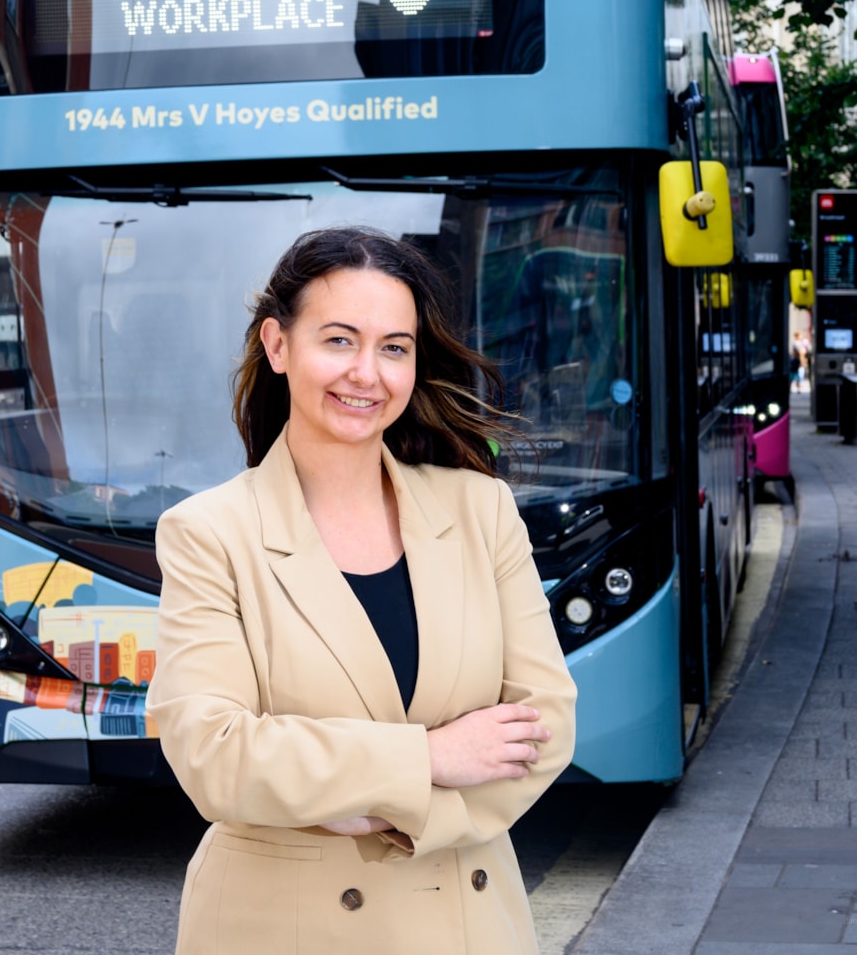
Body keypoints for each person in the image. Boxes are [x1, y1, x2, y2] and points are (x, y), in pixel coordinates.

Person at [147, 226, 577, 955]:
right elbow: (217, 756)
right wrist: (432, 760)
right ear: (278, 346)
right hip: (280, 931)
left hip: (469, 926)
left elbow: (546, 728)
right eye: (339, 340)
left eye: (394, 348)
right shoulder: (210, 532)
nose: (367, 374)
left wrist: (354, 801)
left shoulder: (480, 509)